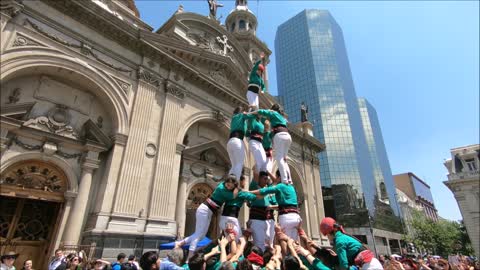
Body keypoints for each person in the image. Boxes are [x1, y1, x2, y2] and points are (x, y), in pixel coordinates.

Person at [175, 175, 240, 260]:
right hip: (205, 209)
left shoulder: (225, 189)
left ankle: (180, 243)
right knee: (198, 234)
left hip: (209, 211)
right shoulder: (221, 188)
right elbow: (233, 196)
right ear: (226, 182)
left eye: (231, 186)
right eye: (228, 184)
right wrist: (237, 188)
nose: (229, 186)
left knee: (201, 236)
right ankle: (189, 258)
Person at [249, 104, 292, 184]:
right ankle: (289, 180)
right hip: (287, 136)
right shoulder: (281, 118)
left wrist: (252, 112)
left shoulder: (270, 131)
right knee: (283, 159)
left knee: (279, 159)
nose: (267, 127)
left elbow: (261, 112)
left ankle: (285, 180)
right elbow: (261, 121)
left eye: (267, 126)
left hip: (278, 139)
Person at [249, 175, 301, 240]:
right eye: (265, 179)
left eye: (266, 180)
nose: (266, 182)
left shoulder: (274, 191)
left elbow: (278, 205)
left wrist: (271, 207)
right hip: (259, 218)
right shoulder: (255, 187)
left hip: (270, 219)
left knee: (275, 240)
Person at [248, 171, 277, 250]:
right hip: (256, 218)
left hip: (265, 219)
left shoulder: (267, 190)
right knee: (259, 245)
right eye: (264, 179)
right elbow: (255, 172)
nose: (266, 181)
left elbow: (275, 181)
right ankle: (258, 261)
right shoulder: (254, 186)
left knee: (268, 245)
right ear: (259, 179)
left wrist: (268, 171)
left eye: (267, 179)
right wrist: (262, 164)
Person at [227, 107, 249, 180]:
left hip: (230, 142)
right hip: (237, 141)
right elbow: (249, 116)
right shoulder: (241, 116)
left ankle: (229, 182)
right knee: (239, 163)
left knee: (234, 165)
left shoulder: (234, 118)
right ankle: (235, 182)